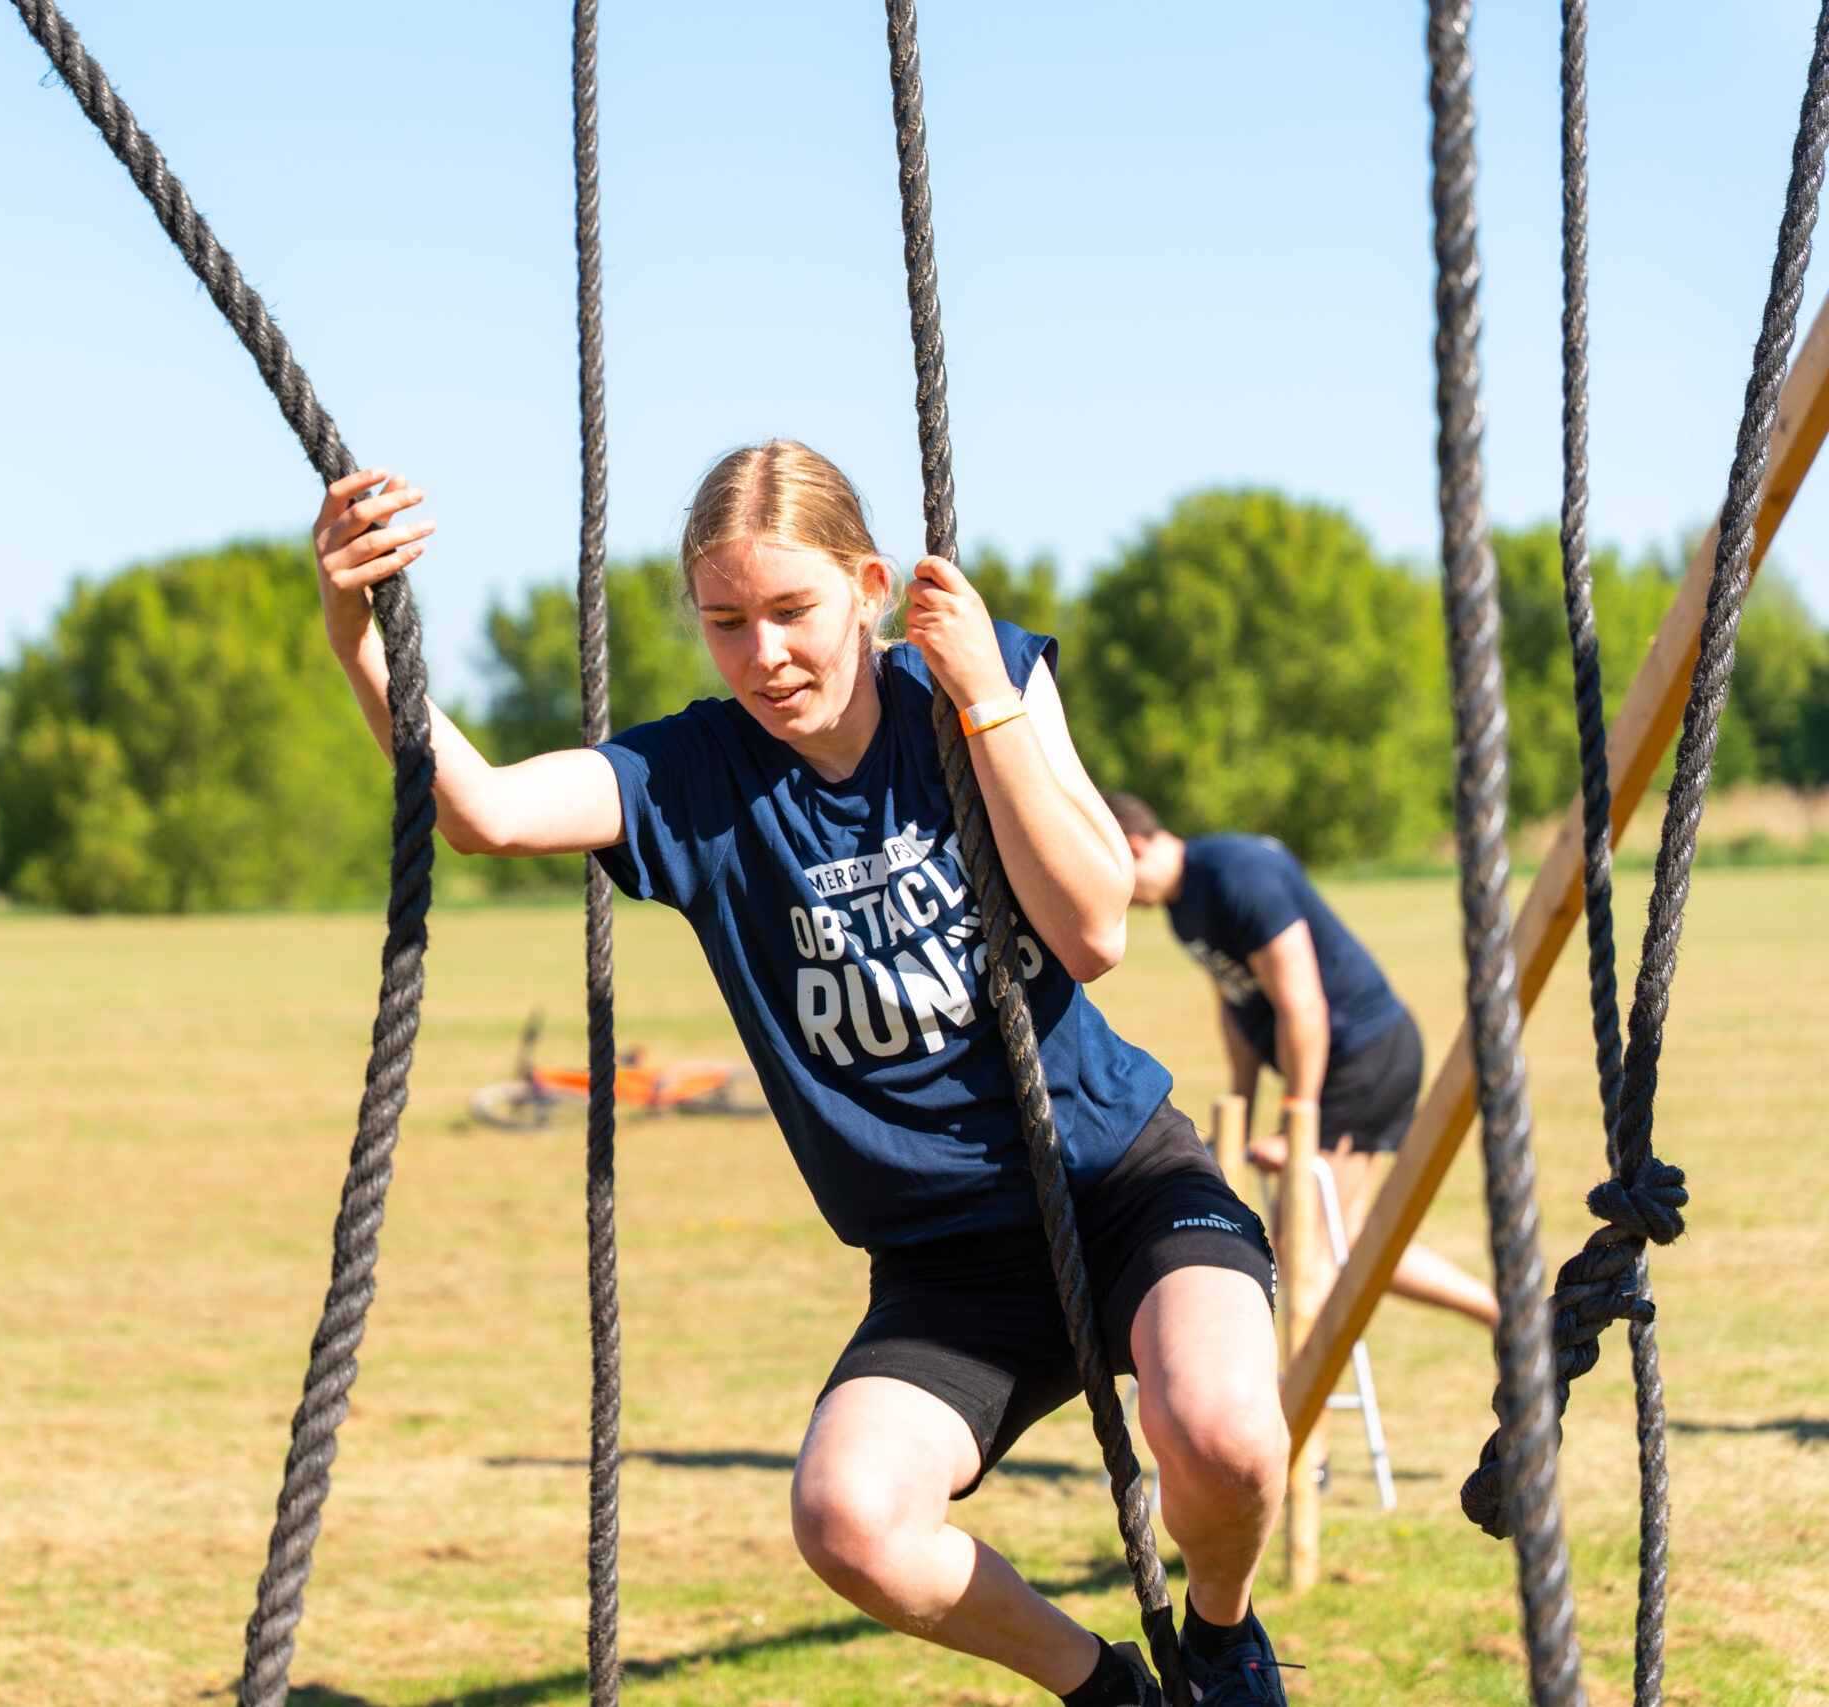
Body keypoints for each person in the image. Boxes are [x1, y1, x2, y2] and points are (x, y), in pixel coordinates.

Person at [311, 440, 1295, 1707]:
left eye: (792, 612)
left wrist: (984, 697)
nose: (763, 654)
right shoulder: (693, 776)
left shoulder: (983, 683)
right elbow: (488, 811)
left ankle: (1218, 1640)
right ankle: (1106, 1691)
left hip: (1114, 1178)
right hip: (947, 1261)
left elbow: (1093, 931)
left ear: (870, 586)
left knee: (1221, 1435)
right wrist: (356, 632)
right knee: (850, 1520)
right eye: (726, 624)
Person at [1102, 794, 1499, 1330]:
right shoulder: (1183, 904)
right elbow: (1236, 1005)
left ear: (1131, 847)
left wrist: (1297, 1121)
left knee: (1302, 1242)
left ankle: (1308, 1393)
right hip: (1342, 1064)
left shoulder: (1234, 875)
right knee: (1349, 1239)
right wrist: (1240, 1108)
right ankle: (1507, 1316)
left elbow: (1303, 1003)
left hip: (1363, 1056)